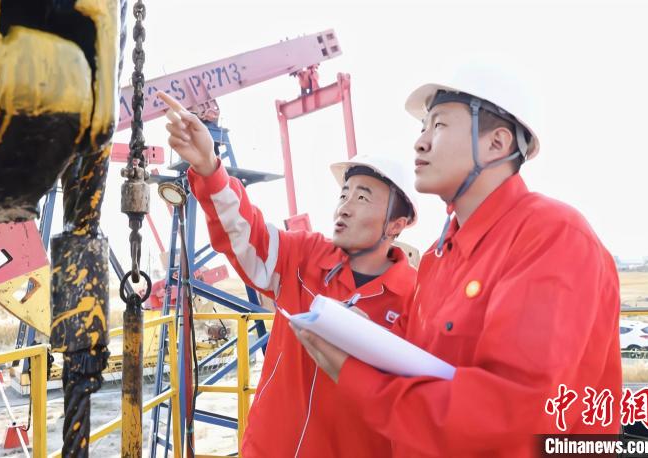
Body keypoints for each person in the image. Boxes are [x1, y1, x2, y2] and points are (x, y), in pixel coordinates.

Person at [293, 68, 622, 457]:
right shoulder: (437, 258)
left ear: (496, 143)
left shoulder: (551, 236)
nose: (420, 142)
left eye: (439, 125)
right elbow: (424, 361)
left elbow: (513, 411)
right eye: (423, 128)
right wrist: (366, 338)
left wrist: (358, 377)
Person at [157, 91, 419, 457]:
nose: (344, 208)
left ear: (397, 224)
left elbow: (418, 408)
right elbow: (246, 234)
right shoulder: (304, 257)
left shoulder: (415, 303)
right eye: (344, 194)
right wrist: (208, 166)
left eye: (362, 198)